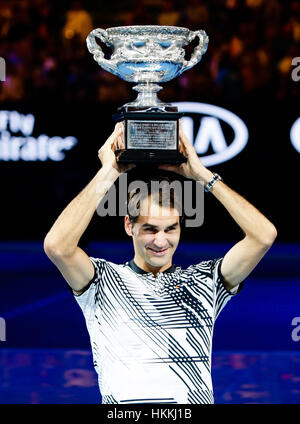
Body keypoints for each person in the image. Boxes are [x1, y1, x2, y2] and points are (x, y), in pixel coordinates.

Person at [44, 122, 277, 404]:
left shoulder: (206, 281)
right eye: (150, 229)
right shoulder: (102, 282)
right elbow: (57, 247)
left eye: (171, 229)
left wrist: (202, 175)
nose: (161, 241)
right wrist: (108, 173)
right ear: (129, 225)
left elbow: (264, 237)